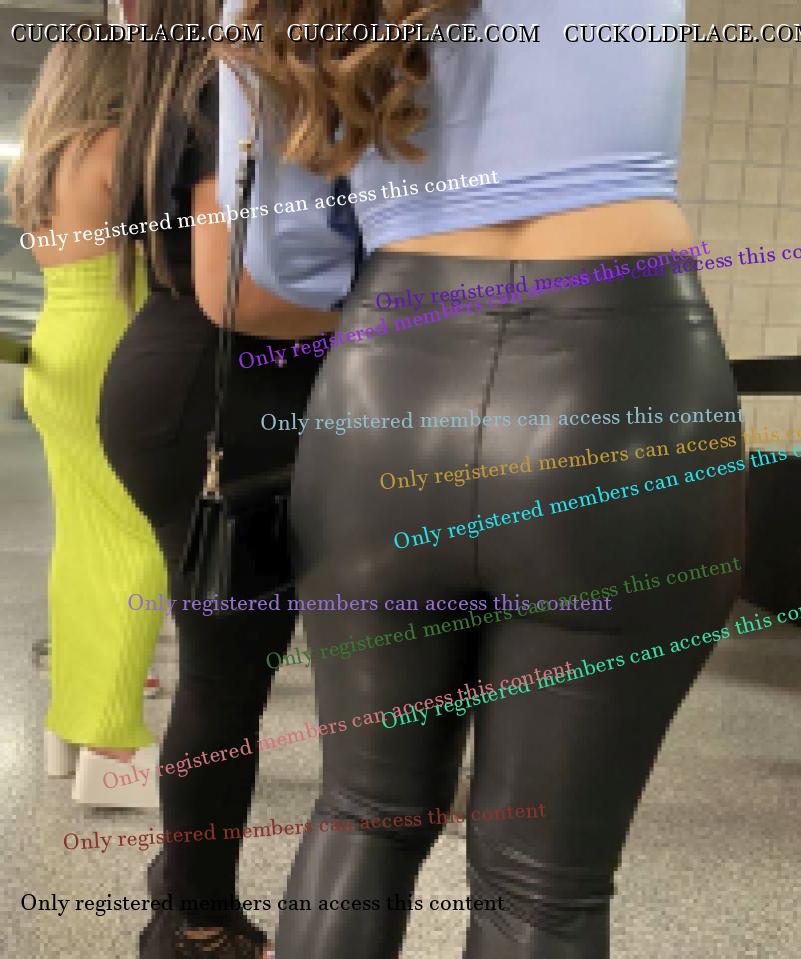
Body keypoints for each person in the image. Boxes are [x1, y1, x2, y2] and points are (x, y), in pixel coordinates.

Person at [208, 1, 746, 955]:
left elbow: (281, 259)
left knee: (362, 811)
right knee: (543, 887)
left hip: (388, 388)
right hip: (621, 379)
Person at [97, 2, 345, 955]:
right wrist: (393, 314)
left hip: (195, 385)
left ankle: (183, 884)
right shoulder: (224, 86)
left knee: (229, 666)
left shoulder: (185, 82)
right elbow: (235, 290)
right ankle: (195, 925)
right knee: (226, 672)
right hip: (219, 394)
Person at [7, 32, 166, 808]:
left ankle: (67, 726)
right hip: (112, 342)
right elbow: (175, 258)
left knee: (81, 538)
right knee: (141, 538)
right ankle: (113, 745)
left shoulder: (39, 165)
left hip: (55, 347)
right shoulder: (116, 148)